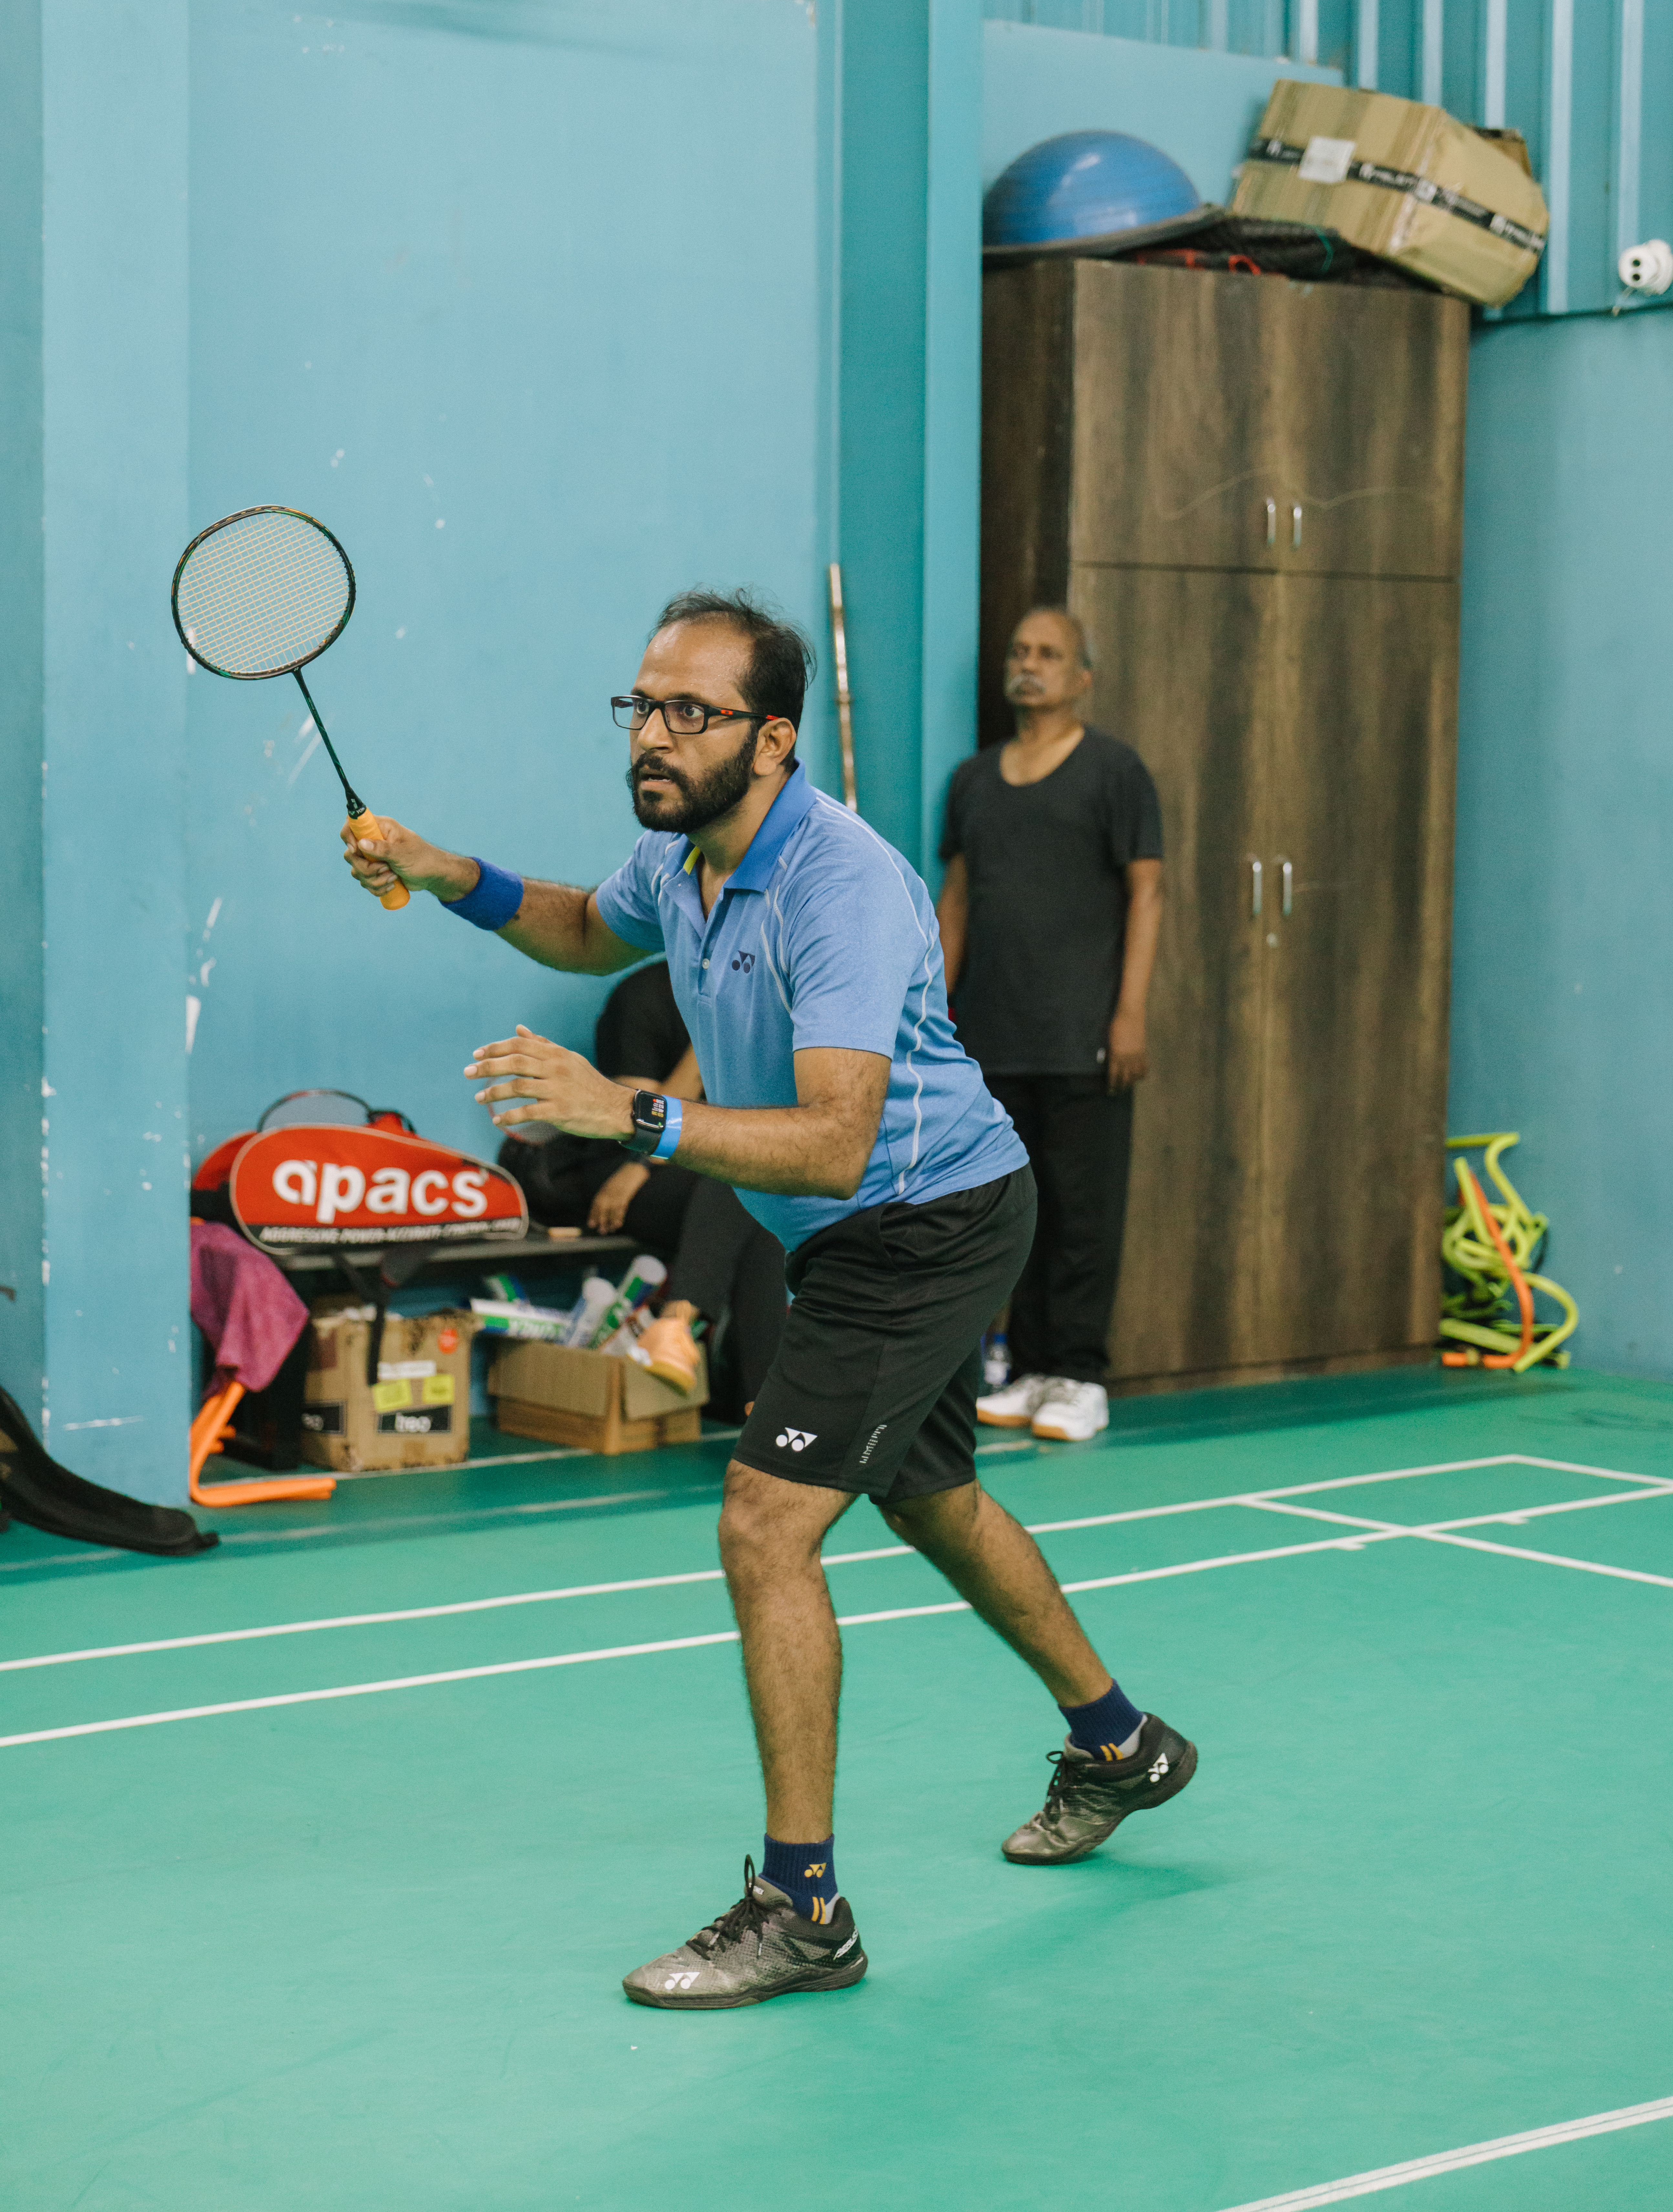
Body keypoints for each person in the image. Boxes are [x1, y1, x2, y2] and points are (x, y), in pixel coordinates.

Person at [343, 587, 1195, 2010]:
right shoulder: (680, 858)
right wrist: (444, 871)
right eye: (641, 705)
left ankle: (801, 1907)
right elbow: (575, 928)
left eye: (692, 710)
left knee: (762, 1521)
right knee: (928, 1501)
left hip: (918, 1218)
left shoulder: (840, 883)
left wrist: (633, 1116)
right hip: (852, 1232)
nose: (654, 735)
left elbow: (836, 1135)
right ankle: (1118, 1743)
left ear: (774, 736)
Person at [937, 607, 1164, 1443]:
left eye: (1047, 655)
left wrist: (1128, 1013)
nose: (1027, 666)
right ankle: (1029, 1369)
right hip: (992, 1039)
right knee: (1015, 1208)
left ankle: (1078, 1375)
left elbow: (1147, 892)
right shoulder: (970, 782)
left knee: (1081, 1211)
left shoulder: (1114, 773)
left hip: (1082, 1038)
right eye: (1017, 650)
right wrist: (928, 1013)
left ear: (1081, 679)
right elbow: (954, 904)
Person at [500, 960, 787, 1418]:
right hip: (620, 1169)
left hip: (711, 1175)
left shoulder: (764, 1002)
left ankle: (755, 1405)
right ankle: (694, 1340)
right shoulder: (643, 999)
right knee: (744, 1189)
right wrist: (706, 1045)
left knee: (756, 1202)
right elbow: (634, 1123)